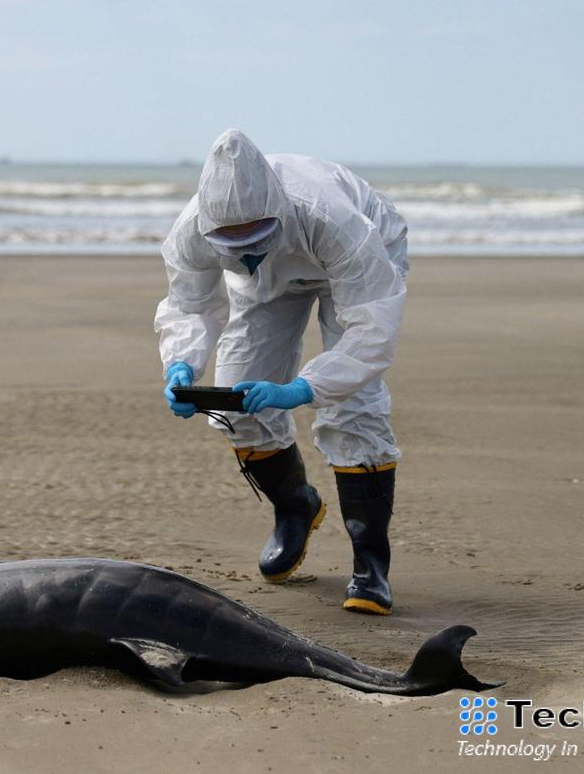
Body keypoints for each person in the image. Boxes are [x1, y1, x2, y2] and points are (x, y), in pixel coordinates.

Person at [155, 129, 409, 615]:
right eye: (230, 242)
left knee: (353, 408)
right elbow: (189, 305)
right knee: (237, 403)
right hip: (266, 283)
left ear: (277, 212)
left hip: (358, 266)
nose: (246, 249)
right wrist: (181, 363)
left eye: (255, 236)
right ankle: (295, 507)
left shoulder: (332, 219)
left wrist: (302, 389)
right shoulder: (190, 230)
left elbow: (371, 330)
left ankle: (370, 565)